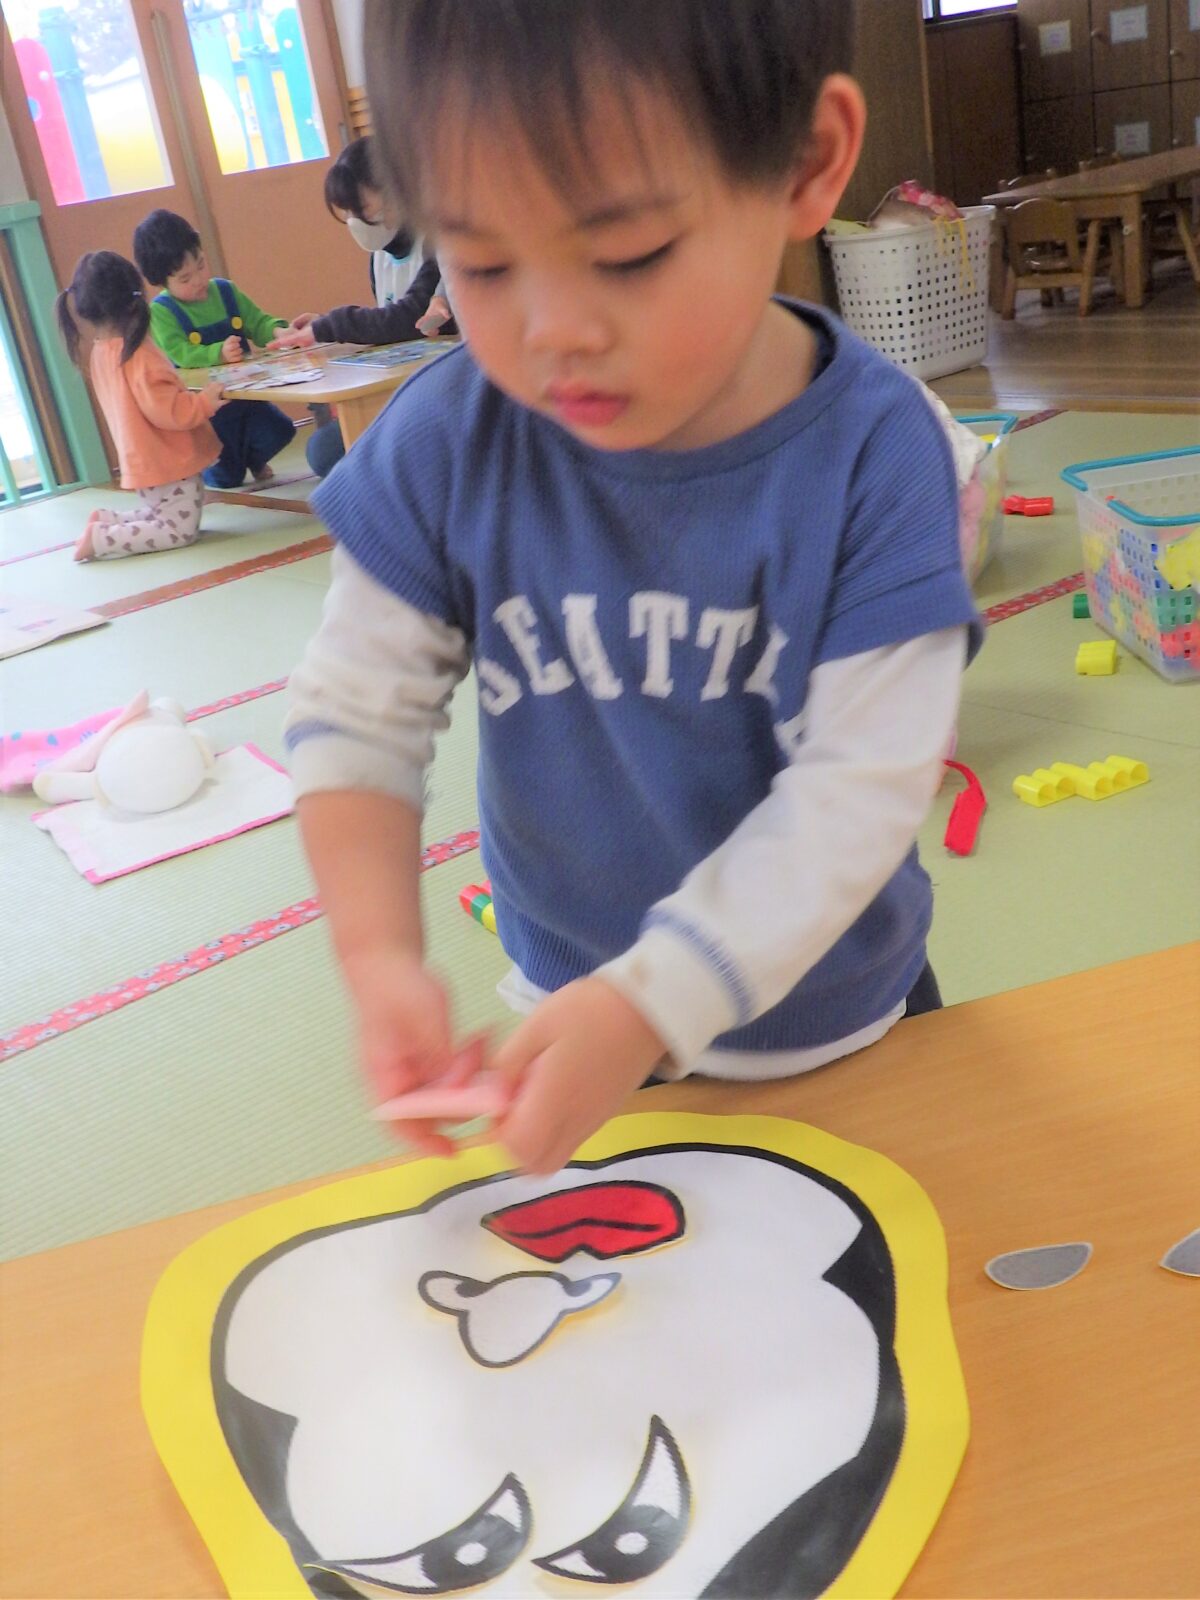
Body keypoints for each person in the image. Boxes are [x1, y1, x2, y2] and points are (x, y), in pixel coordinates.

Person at [286, 0, 983, 1178]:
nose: (556, 331)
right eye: (482, 263)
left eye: (628, 255)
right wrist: (379, 957)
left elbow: (861, 789)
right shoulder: (448, 443)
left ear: (806, 164)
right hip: (573, 1026)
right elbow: (354, 713)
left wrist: (654, 1002)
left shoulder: (876, 453)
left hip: (833, 1029)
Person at [270, 137, 453, 477]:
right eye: (349, 213)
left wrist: (329, 325)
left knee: (333, 451)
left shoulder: (436, 241)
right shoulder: (379, 257)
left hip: (442, 391)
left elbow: (408, 319)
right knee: (324, 448)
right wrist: (323, 324)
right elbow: (385, 323)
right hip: (401, 392)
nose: (356, 221)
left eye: (362, 208)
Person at [55, 250, 227, 561]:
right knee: (178, 531)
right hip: (167, 459)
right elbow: (167, 410)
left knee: (163, 514)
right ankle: (103, 539)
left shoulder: (102, 351)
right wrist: (204, 402)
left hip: (145, 457)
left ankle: (109, 520)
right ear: (134, 297)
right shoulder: (139, 354)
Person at [132, 209, 294, 489]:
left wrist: (279, 331)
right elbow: (180, 354)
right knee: (227, 477)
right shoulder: (162, 311)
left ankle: (252, 458)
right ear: (161, 282)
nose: (198, 280)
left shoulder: (225, 291)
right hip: (209, 412)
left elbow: (257, 322)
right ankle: (207, 468)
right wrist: (217, 353)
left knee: (280, 431)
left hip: (250, 398)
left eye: (201, 265)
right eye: (185, 278)